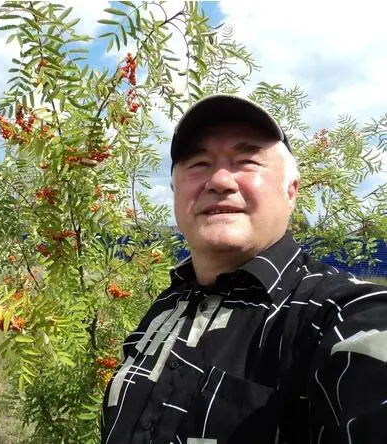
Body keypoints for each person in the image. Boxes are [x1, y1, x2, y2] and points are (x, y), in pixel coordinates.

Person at [101, 94, 387, 444]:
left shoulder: (339, 316)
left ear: (291, 191)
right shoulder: (168, 303)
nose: (219, 180)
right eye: (199, 164)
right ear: (175, 192)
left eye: (247, 161)